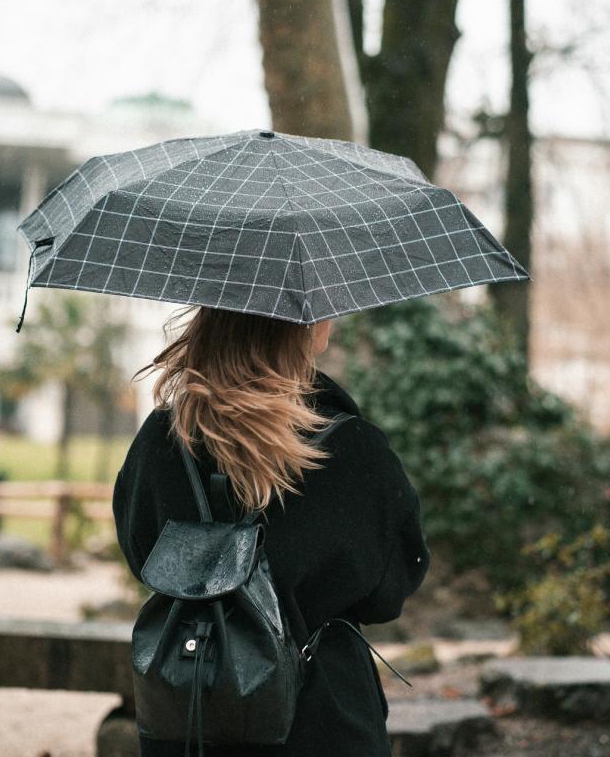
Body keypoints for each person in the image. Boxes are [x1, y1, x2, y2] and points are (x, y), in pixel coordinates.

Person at [112, 306, 430, 757]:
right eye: (320, 303)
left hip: (190, 706)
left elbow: (142, 553)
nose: (332, 313)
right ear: (298, 328)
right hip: (323, 717)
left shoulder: (162, 439)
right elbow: (391, 589)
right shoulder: (352, 449)